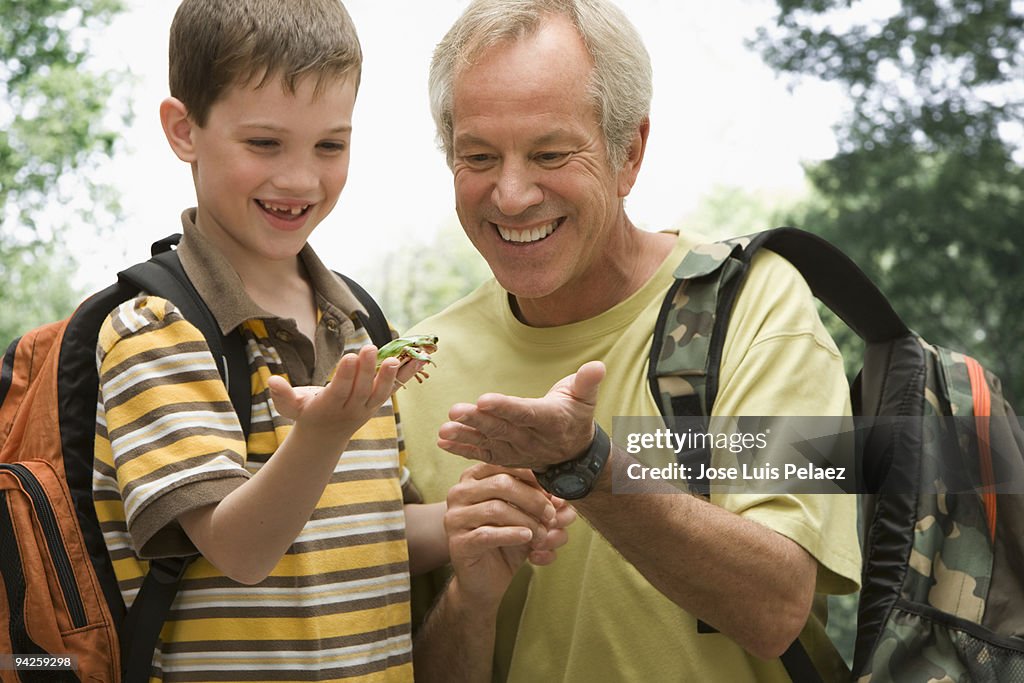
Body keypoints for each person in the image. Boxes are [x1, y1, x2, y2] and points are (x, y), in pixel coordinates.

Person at [92, 1, 570, 680]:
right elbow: (241, 549)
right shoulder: (157, 328)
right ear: (183, 130)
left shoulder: (360, 324)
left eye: (330, 144)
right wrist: (321, 435)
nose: (300, 179)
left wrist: (472, 519)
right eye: (264, 144)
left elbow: (369, 533)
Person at [403, 1, 862, 681]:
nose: (511, 193)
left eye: (550, 153)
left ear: (630, 151)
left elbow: (780, 605)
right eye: (478, 156)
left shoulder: (763, 302)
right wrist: (470, 602)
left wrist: (586, 465)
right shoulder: (416, 363)